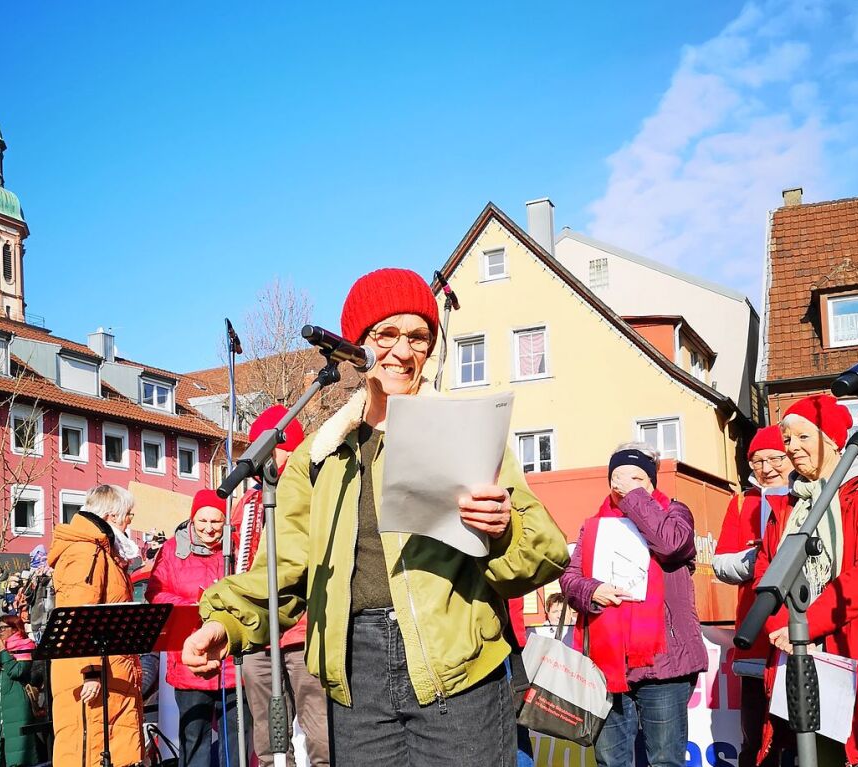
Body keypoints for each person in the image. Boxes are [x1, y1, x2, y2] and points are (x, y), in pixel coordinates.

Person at [185, 267, 570, 766]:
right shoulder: (319, 457)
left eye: (418, 337)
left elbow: (545, 550)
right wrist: (225, 622)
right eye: (386, 334)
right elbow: (286, 568)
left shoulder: (465, 432)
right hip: (355, 674)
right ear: (355, 347)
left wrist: (504, 530)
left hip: (458, 671)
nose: (404, 352)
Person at [559, 442, 707, 767]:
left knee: (665, 760)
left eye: (637, 478)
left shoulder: (675, 513)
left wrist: (634, 498)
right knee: (611, 761)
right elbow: (569, 579)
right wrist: (592, 590)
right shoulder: (594, 526)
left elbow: (669, 545)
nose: (624, 486)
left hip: (664, 664)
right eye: (618, 479)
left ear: (653, 483)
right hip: (608, 662)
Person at [761, 395, 858, 766]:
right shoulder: (787, 504)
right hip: (797, 651)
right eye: (787, 439)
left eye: (804, 437)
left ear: (833, 439)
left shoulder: (857, 492)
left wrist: (806, 624)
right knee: (814, 753)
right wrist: (779, 626)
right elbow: (766, 568)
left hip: (847, 642)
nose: (792, 447)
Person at [233, 405, 330, 767]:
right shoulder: (249, 502)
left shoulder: (313, 489)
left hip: (304, 632)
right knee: (269, 740)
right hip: (260, 636)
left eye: (263, 446)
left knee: (321, 735)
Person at [146, 488, 250, 767]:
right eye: (202, 521)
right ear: (192, 520)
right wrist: (196, 605)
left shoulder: (238, 547)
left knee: (238, 743)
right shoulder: (171, 549)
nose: (208, 529)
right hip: (190, 660)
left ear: (225, 522)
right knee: (195, 740)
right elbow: (155, 593)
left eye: (215, 522)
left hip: (232, 662)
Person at [711, 425, 793, 767]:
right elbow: (719, 563)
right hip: (756, 636)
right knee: (755, 735)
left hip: (801, 634)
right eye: (758, 460)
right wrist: (759, 558)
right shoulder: (743, 501)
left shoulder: (809, 496)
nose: (768, 468)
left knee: (799, 737)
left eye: (776, 458)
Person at [48, 484, 144, 767]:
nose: (130, 521)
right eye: (128, 515)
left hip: (111, 665)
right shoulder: (85, 551)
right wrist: (89, 670)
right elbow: (79, 613)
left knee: (114, 748)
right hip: (94, 668)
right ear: (113, 515)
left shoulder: (101, 550)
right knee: (88, 749)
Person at [0, 615, 38, 767]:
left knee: (19, 750)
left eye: (3, 628)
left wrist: (4, 653)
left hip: (16, 703)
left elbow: (18, 672)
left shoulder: (25, 645)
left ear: (15, 628)